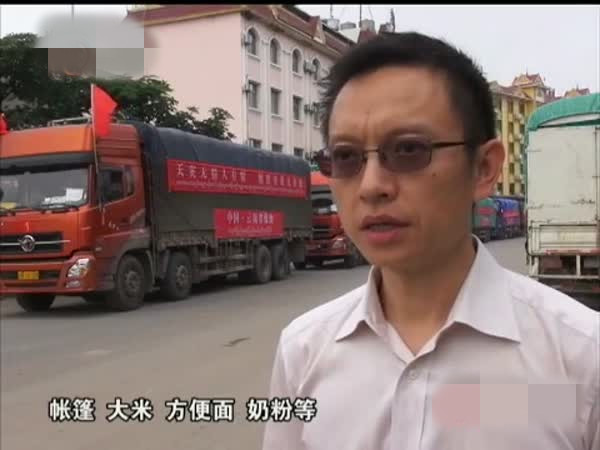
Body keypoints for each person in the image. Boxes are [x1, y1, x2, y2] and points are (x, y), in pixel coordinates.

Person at [262, 32, 599, 450]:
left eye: (408, 150)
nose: (371, 186)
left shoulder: (581, 356)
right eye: (346, 157)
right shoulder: (302, 351)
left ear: (484, 168)